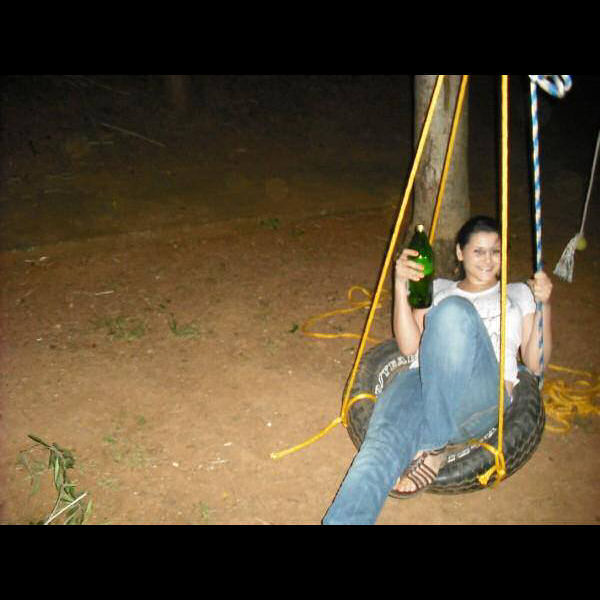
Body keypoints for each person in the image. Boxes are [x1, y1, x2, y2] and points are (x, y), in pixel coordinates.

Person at [322, 215, 553, 524]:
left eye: (495, 251)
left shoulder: (518, 294)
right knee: (382, 443)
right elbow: (409, 347)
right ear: (460, 252)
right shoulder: (440, 288)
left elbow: (536, 364)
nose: (488, 259)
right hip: (421, 382)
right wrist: (400, 284)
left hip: (482, 392)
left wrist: (544, 306)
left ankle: (433, 444)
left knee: (455, 312)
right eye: (478, 251)